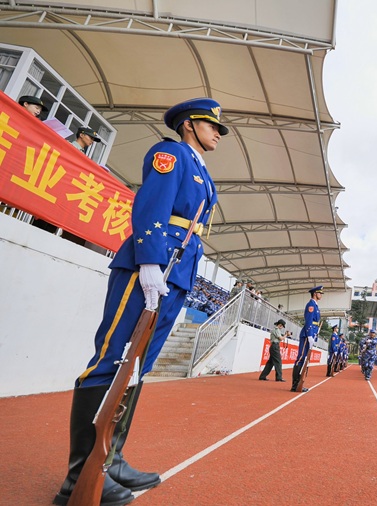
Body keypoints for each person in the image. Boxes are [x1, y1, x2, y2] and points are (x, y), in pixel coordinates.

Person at [53, 98, 226, 506]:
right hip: (152, 264)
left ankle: (110, 461)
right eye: (212, 126)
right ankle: (78, 476)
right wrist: (149, 261)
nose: (218, 133)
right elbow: (151, 207)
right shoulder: (172, 154)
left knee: (136, 368)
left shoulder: (201, 170)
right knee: (113, 359)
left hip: (177, 271)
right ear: (189, 124)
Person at [291, 285, 324, 392]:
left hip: (312, 334)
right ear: (315, 294)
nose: (321, 295)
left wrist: (314, 335)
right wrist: (309, 335)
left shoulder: (315, 306)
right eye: (320, 293)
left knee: (305, 359)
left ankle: (299, 383)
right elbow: (309, 321)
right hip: (307, 335)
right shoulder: (311, 305)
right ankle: (295, 384)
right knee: (301, 358)